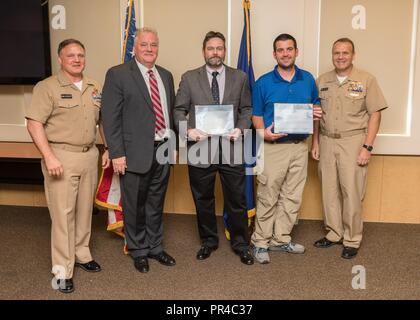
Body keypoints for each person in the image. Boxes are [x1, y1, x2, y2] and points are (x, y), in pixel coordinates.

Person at [26, 39, 110, 293]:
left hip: (89, 155)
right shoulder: (47, 87)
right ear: (60, 59)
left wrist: (106, 148)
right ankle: (62, 270)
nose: (77, 59)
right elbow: (34, 123)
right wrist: (49, 156)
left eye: (81, 55)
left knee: (85, 210)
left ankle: (82, 254)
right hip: (61, 155)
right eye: (70, 55)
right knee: (63, 214)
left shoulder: (94, 85)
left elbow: (102, 121)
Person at [174, 31, 254, 265]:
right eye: (211, 48)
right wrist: (188, 131)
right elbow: (178, 110)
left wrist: (240, 128)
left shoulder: (239, 77)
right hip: (200, 149)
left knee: (237, 199)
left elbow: (247, 109)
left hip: (232, 147)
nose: (215, 53)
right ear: (204, 51)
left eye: (219, 48)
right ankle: (208, 241)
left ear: (225, 51)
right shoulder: (189, 78)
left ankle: (241, 244)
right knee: (203, 198)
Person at [101, 28, 176, 273]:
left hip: (163, 150)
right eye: (144, 44)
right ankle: (138, 250)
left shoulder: (166, 75)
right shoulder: (118, 74)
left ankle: (155, 247)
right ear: (135, 47)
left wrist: (173, 145)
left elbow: (169, 113)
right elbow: (110, 118)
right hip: (132, 153)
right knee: (134, 204)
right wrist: (116, 153)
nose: (149, 49)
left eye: (153, 45)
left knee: (156, 202)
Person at [311, 38, 388, 259]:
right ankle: (334, 233)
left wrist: (367, 147)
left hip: (353, 141)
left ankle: (352, 238)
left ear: (353, 55)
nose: (341, 57)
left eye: (345, 53)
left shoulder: (366, 80)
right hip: (326, 140)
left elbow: (375, 114)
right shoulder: (322, 81)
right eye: (337, 53)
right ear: (332, 54)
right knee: (329, 190)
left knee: (351, 191)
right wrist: (315, 141)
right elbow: (317, 115)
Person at [250, 33, 322, 264]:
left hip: (300, 146)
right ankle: (260, 242)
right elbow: (256, 115)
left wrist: (316, 137)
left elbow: (316, 111)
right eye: (280, 50)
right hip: (273, 147)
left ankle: (280, 239)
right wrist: (264, 134)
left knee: (292, 196)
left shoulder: (308, 79)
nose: (285, 53)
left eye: (289, 49)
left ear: (296, 51)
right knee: (268, 195)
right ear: (274, 54)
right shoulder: (263, 82)